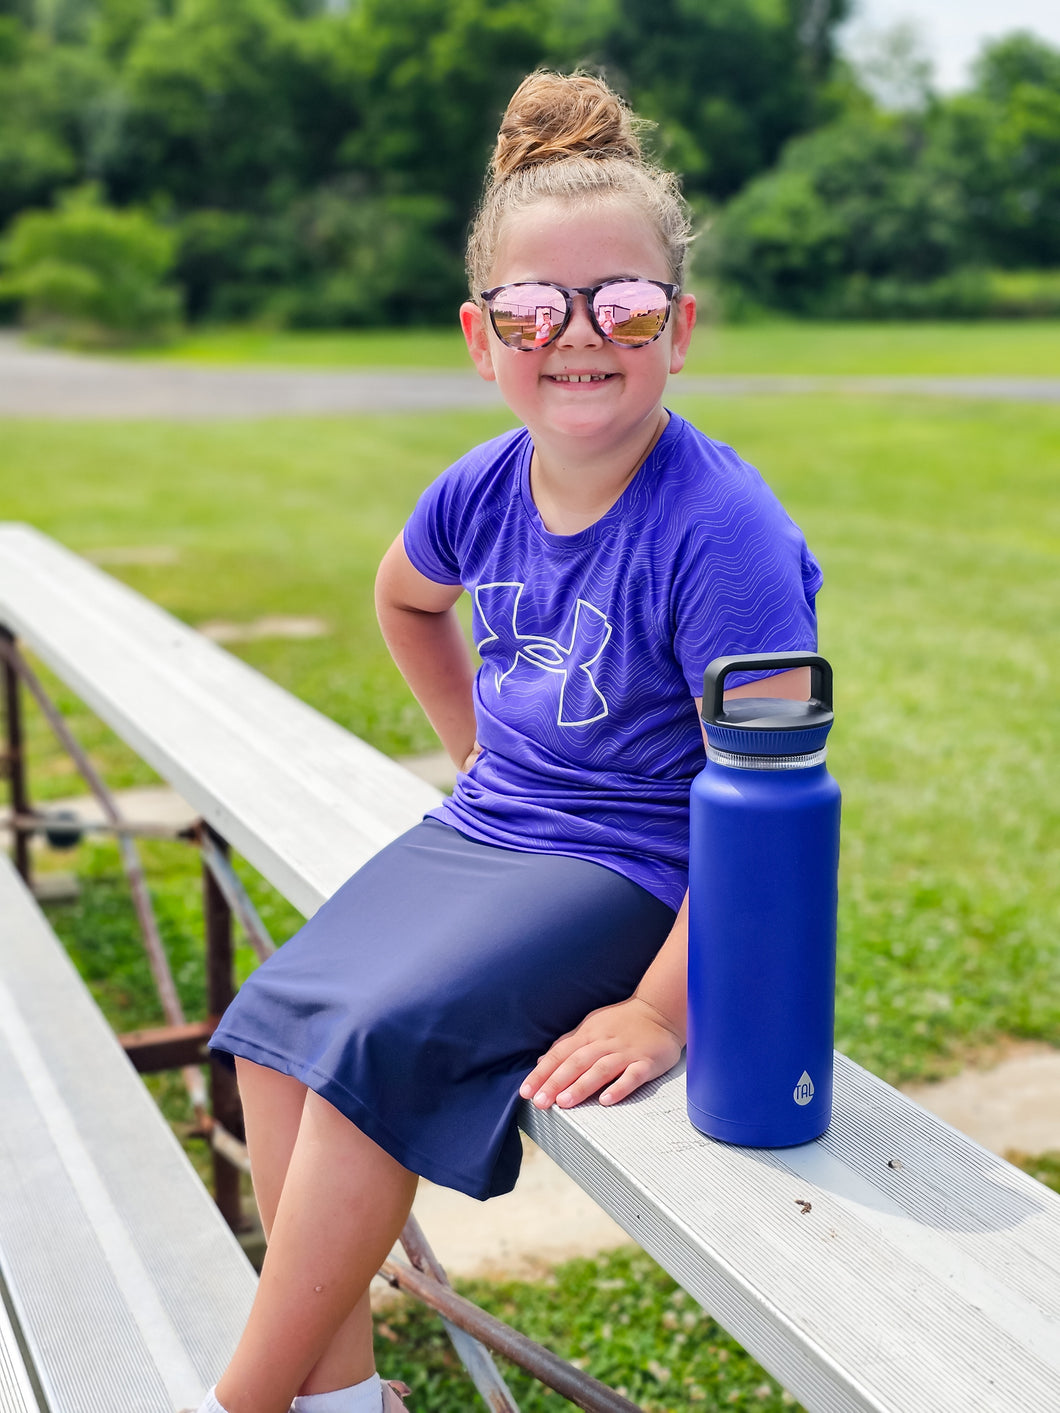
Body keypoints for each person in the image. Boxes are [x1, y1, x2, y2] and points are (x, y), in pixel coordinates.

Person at [195, 69, 822, 1413]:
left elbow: (776, 809)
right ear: (484, 339)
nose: (582, 335)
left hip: (635, 868)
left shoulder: (730, 534)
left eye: (626, 304)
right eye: (538, 308)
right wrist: (480, 750)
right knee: (269, 1032)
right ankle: (342, 1398)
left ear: (680, 325)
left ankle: (237, 1399)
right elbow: (404, 596)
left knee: (374, 1052)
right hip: (492, 829)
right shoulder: (479, 486)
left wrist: (661, 1007)